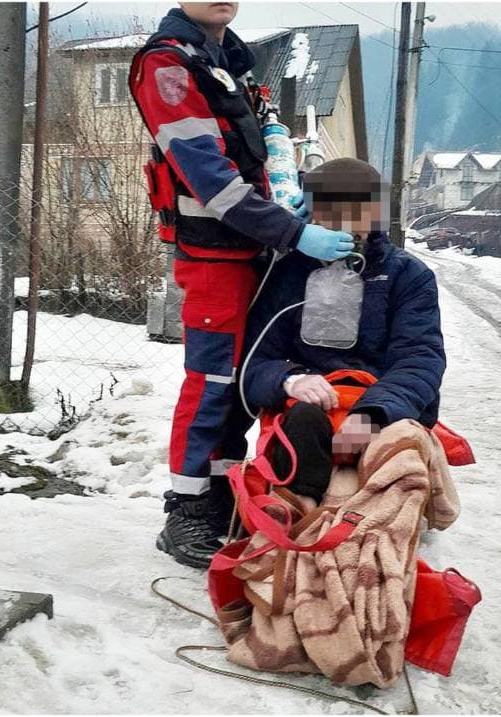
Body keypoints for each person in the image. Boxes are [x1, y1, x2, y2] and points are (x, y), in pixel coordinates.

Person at [129, 2, 356, 568]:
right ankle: (184, 514)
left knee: (236, 391)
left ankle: (224, 502)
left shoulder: (231, 60)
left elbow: (260, 154)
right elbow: (208, 177)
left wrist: (292, 196)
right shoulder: (169, 66)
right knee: (210, 383)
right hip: (214, 256)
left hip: (254, 251)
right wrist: (292, 231)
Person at [239, 157, 446, 497]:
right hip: (308, 412)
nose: (345, 226)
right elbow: (254, 361)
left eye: (356, 213)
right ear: (312, 215)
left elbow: (420, 360)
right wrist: (289, 380)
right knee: (302, 425)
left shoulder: (408, 275)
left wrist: (371, 415)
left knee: (396, 451)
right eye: (331, 213)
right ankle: (301, 511)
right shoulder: (287, 275)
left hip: (383, 408)